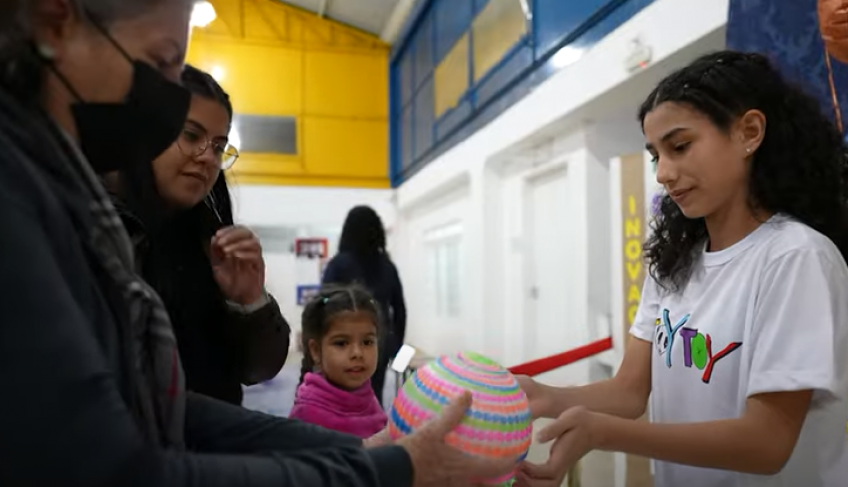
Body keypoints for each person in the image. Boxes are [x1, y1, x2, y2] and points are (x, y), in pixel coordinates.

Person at [0, 1, 516, 486]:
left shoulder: (92, 205)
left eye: (219, 145)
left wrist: (361, 453)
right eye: (160, 62)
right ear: (54, 22)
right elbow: (117, 465)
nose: (162, 102)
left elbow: (168, 404)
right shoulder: (25, 195)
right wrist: (378, 471)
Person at [515, 50, 848, 487]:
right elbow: (630, 391)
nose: (664, 174)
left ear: (749, 132)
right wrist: (545, 396)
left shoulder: (795, 257)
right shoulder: (675, 261)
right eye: (656, 155)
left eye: (680, 146)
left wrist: (604, 433)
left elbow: (767, 443)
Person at [106, 64, 289, 406]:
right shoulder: (99, 231)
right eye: (191, 135)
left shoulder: (211, 241)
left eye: (219, 146)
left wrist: (251, 303)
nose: (208, 157)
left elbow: (256, 371)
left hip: (213, 443)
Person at [323, 206, 407, 406]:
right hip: (378, 342)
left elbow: (322, 306)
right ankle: (373, 432)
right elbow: (400, 310)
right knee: (373, 395)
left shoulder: (338, 265)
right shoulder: (387, 266)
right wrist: (395, 346)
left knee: (342, 397)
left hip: (344, 342)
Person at [289, 284, 388, 438]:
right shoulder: (307, 415)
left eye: (367, 342)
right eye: (341, 343)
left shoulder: (369, 399)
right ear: (316, 351)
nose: (357, 353)